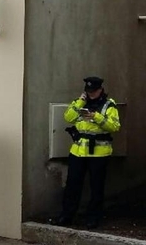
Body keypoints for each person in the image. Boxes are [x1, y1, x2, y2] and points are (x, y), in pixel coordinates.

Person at [51, 76, 121, 229]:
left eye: (94, 91)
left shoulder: (109, 105)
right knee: (72, 184)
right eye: (88, 91)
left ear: (100, 90)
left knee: (96, 187)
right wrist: (80, 102)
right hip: (78, 151)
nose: (91, 94)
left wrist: (96, 117)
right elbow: (68, 117)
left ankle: (93, 218)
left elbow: (115, 126)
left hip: (99, 153)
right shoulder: (80, 102)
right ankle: (67, 215)